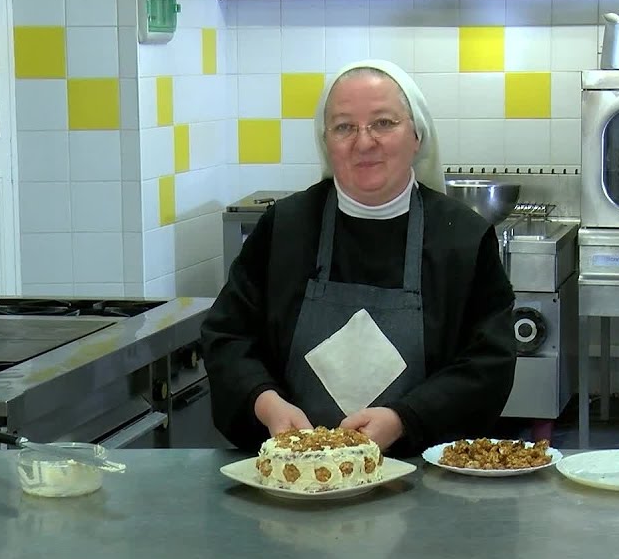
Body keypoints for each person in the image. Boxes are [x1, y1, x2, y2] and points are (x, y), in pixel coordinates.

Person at [200, 59, 516, 457]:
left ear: (417, 135)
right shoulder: (286, 228)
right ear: (326, 142)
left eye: (383, 123)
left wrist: (406, 418)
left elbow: (489, 363)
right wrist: (267, 404)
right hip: (292, 476)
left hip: (423, 482)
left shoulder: (462, 238)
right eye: (344, 127)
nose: (364, 142)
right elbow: (228, 337)